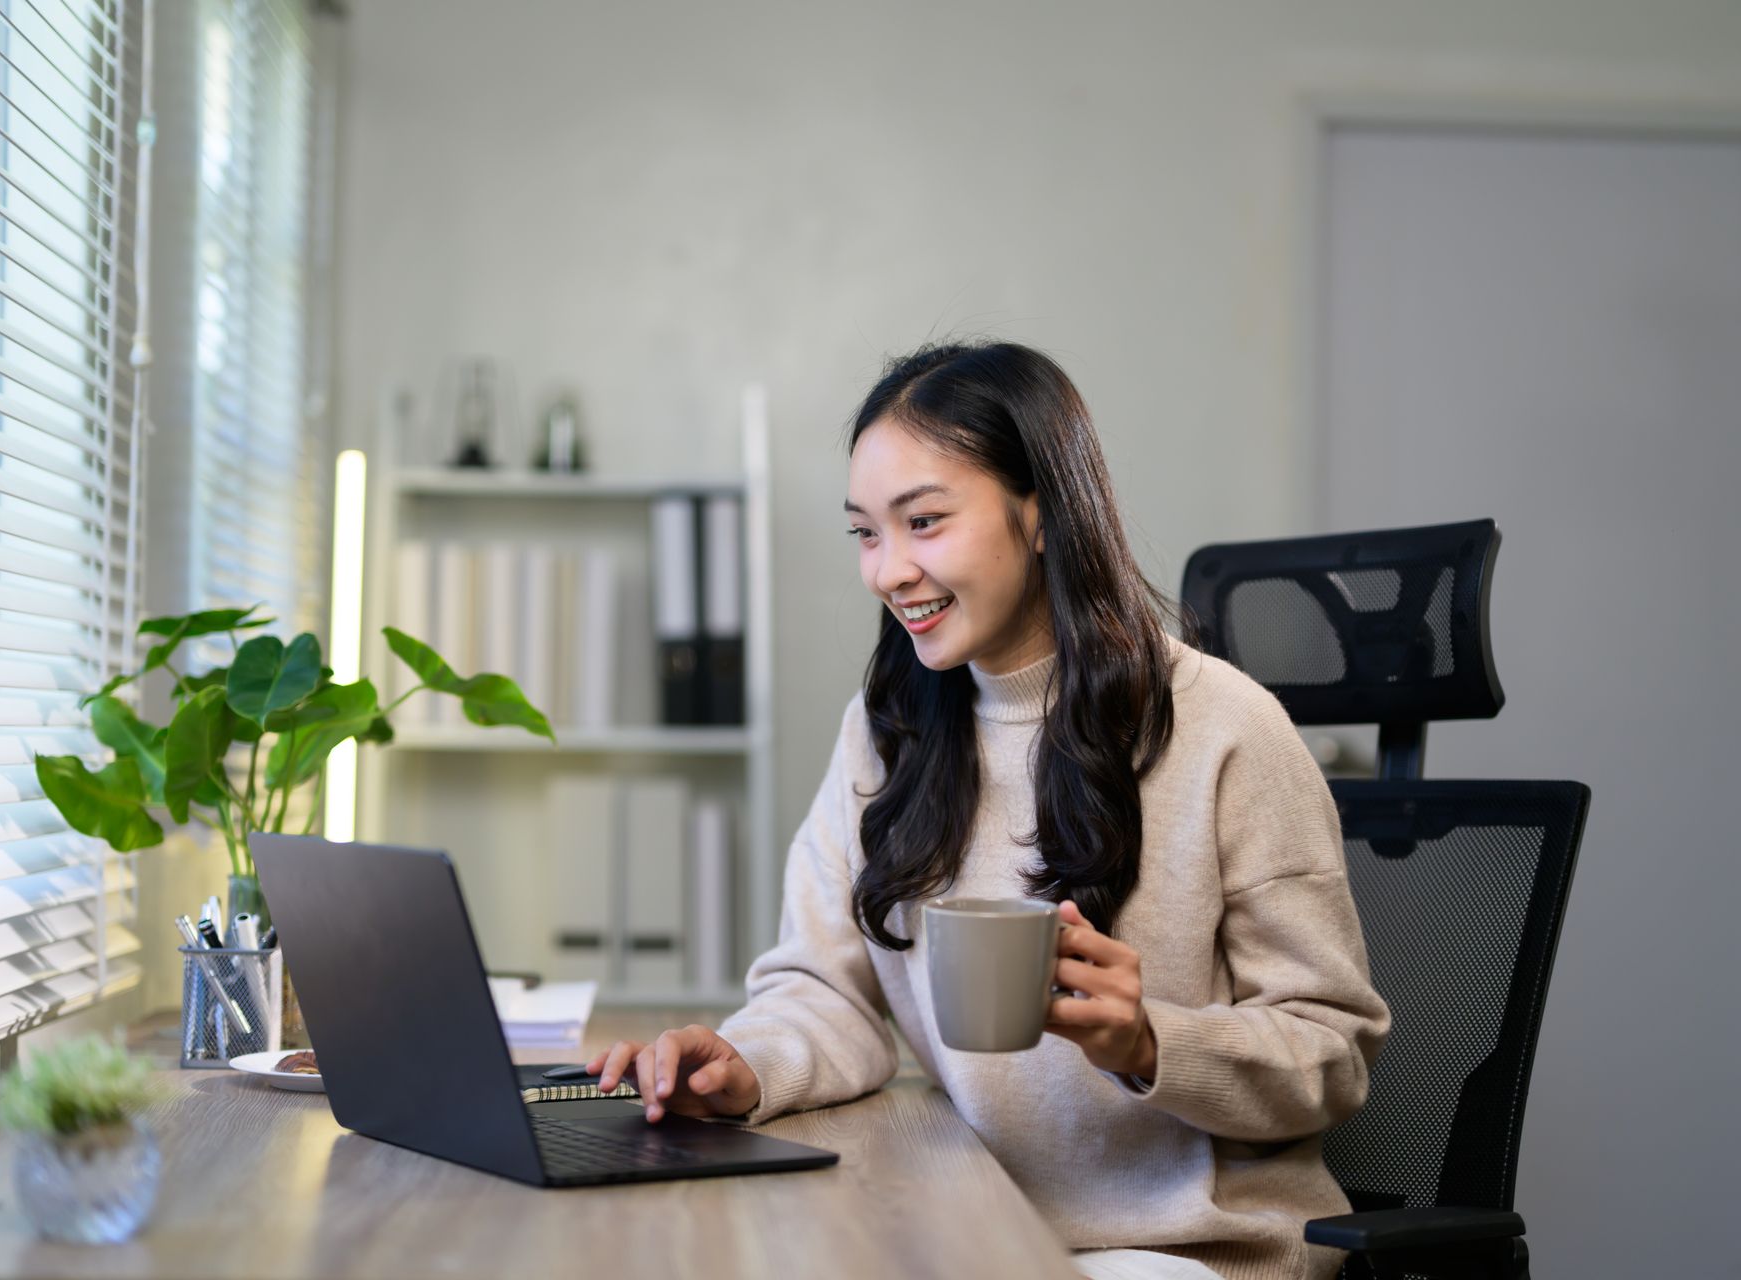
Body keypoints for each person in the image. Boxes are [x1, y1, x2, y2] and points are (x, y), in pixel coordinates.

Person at [588, 341, 1391, 1280]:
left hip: (1187, 1246)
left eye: (923, 522)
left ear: (1039, 511)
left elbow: (1329, 1050)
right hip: (970, 1228)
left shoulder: (1226, 729)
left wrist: (1148, 1040)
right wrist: (742, 1066)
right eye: (865, 534)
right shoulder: (887, 731)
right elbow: (823, 988)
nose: (888, 572)